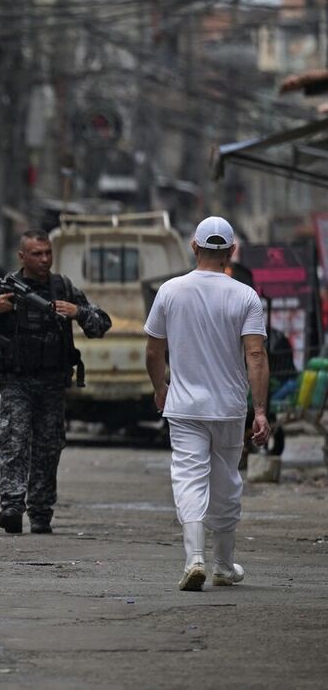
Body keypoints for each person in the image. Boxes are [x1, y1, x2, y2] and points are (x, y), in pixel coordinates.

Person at [144, 216, 269, 591]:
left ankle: (194, 558)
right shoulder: (245, 295)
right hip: (229, 408)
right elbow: (257, 355)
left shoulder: (169, 291)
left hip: (184, 407)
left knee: (189, 477)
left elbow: (153, 350)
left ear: (194, 247)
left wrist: (160, 386)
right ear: (231, 251)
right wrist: (260, 410)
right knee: (226, 481)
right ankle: (223, 564)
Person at [0, 229, 111, 534]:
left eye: (48, 253)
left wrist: (79, 312)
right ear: (22, 256)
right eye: (37, 254)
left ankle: (41, 511)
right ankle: (11, 506)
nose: (44, 259)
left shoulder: (63, 287)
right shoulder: (5, 287)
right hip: (16, 381)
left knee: (49, 447)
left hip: (52, 383)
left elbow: (102, 324)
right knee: (14, 440)